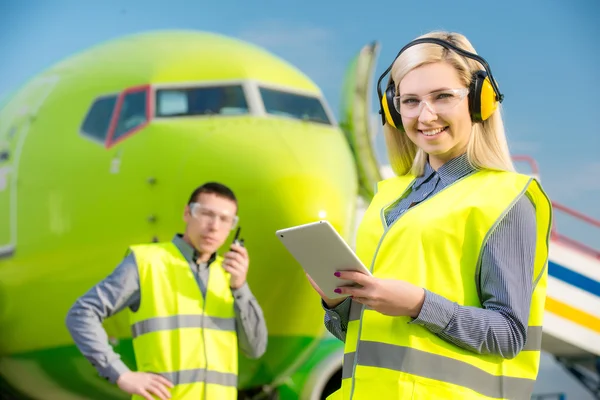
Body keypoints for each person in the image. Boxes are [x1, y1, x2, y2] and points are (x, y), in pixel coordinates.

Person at [306, 31, 552, 400]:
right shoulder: (389, 200)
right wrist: (339, 302)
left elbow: (508, 335)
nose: (426, 115)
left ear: (478, 102)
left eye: (442, 97)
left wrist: (419, 304)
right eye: (410, 101)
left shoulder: (506, 198)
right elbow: (369, 337)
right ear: (393, 109)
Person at [66, 182, 268, 400]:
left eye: (225, 219)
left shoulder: (230, 277)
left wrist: (240, 287)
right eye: (206, 214)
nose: (214, 227)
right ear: (187, 213)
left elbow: (255, 348)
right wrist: (119, 373)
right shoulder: (147, 262)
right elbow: (82, 313)